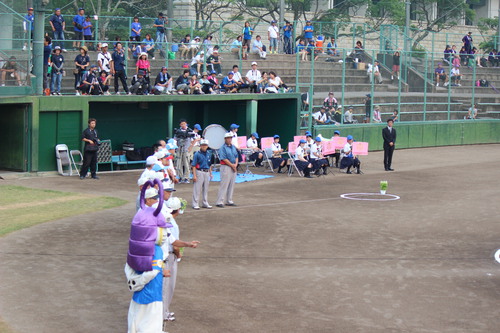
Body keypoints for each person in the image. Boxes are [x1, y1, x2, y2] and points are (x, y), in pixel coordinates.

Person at [216, 132, 239, 207]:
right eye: (228, 138)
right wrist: (233, 165)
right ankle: (220, 201)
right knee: (224, 184)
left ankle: (229, 200)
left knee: (231, 184)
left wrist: (235, 164)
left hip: (233, 166)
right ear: (225, 139)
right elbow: (224, 158)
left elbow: (236, 156)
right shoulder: (223, 148)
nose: (230, 139)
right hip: (226, 166)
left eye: (230, 138)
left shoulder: (233, 147)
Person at [191, 139, 213, 210]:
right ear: (200, 145)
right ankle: (195, 203)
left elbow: (209, 164)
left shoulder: (209, 153)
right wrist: (194, 175)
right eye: (203, 145)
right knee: (197, 188)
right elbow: (193, 165)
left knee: (206, 189)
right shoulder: (197, 154)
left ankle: (205, 202)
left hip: (206, 172)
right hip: (199, 171)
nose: (204, 146)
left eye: (205, 145)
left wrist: (210, 173)